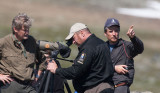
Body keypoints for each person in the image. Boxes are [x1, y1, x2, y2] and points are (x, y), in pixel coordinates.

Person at [47, 23, 114, 93]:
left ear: (82, 33)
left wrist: (56, 70)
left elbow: (75, 71)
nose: (73, 41)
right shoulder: (101, 43)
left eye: (73, 38)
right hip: (106, 88)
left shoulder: (88, 48)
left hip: (95, 89)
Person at [0, 13, 39, 93]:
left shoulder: (32, 41)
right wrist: (0, 76)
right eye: (24, 30)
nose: (27, 32)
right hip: (10, 86)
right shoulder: (4, 42)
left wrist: (37, 76)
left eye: (28, 29)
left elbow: (42, 60)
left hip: (29, 86)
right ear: (15, 29)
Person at [103, 18, 144, 93]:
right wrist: (114, 68)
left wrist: (133, 38)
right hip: (105, 86)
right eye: (111, 31)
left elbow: (140, 49)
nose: (114, 34)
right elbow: (98, 66)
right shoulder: (102, 48)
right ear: (105, 33)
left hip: (121, 86)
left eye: (116, 31)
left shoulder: (126, 46)